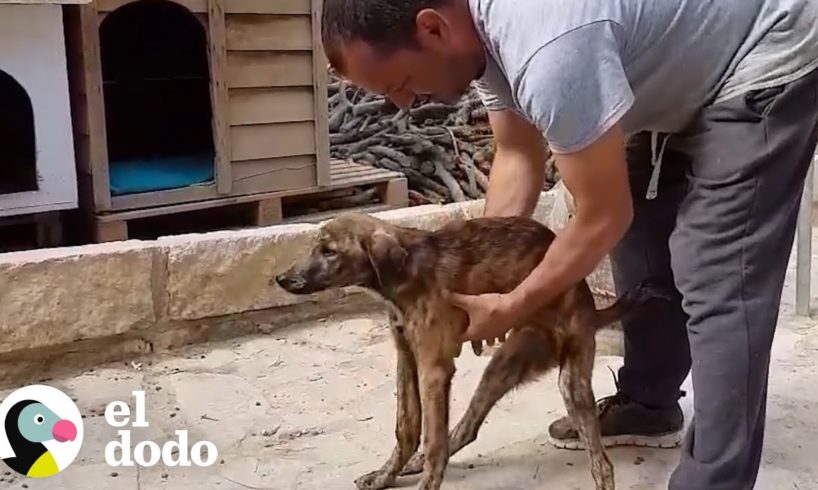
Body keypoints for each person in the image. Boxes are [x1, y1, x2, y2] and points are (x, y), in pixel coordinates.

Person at [319, 0, 818, 487]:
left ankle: (715, 479)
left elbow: (603, 216)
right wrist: (478, 283)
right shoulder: (484, 41)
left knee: (719, 270)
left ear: (432, 29)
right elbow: (517, 156)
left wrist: (514, 305)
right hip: (686, 63)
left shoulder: (548, 48)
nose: (403, 104)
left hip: (765, 45)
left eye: (401, 84)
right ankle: (649, 404)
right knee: (641, 234)